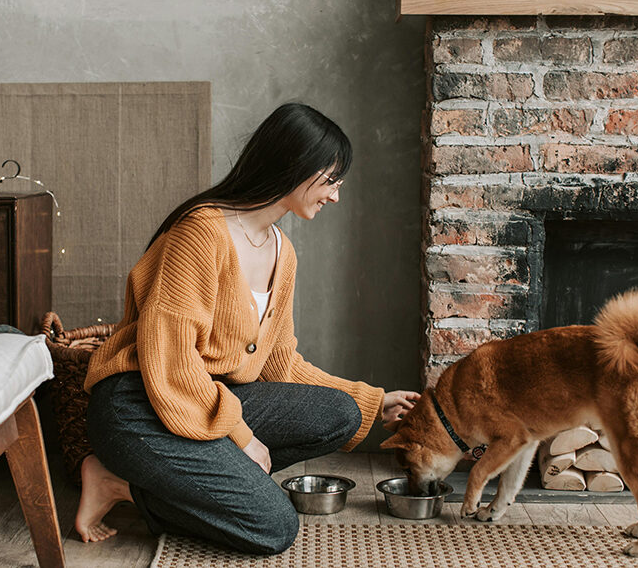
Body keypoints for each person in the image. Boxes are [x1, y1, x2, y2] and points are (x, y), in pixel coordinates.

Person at [74, 102, 419, 554]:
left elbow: (281, 364)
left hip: (205, 399)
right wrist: (241, 435)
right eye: (331, 180)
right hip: (139, 405)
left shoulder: (283, 252)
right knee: (274, 526)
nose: (335, 195)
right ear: (296, 167)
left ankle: (166, 483)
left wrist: (372, 402)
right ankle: (118, 481)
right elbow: (173, 362)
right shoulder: (201, 232)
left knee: (341, 414)